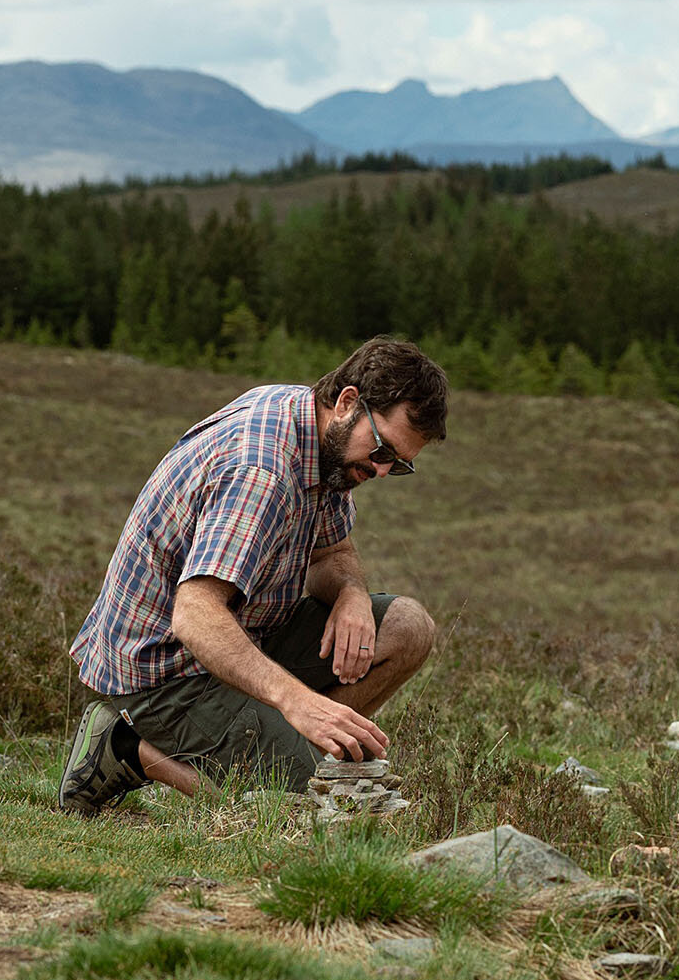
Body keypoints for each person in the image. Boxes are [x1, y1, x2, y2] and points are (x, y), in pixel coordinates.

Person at [57, 337, 445, 815]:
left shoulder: (320, 434)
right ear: (348, 401)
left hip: (247, 633)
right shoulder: (262, 471)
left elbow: (333, 551)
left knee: (408, 627)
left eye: (400, 464)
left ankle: (301, 751)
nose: (383, 471)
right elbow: (196, 615)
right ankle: (125, 749)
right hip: (165, 673)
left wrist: (352, 593)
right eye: (383, 450)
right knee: (316, 806)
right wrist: (295, 701)